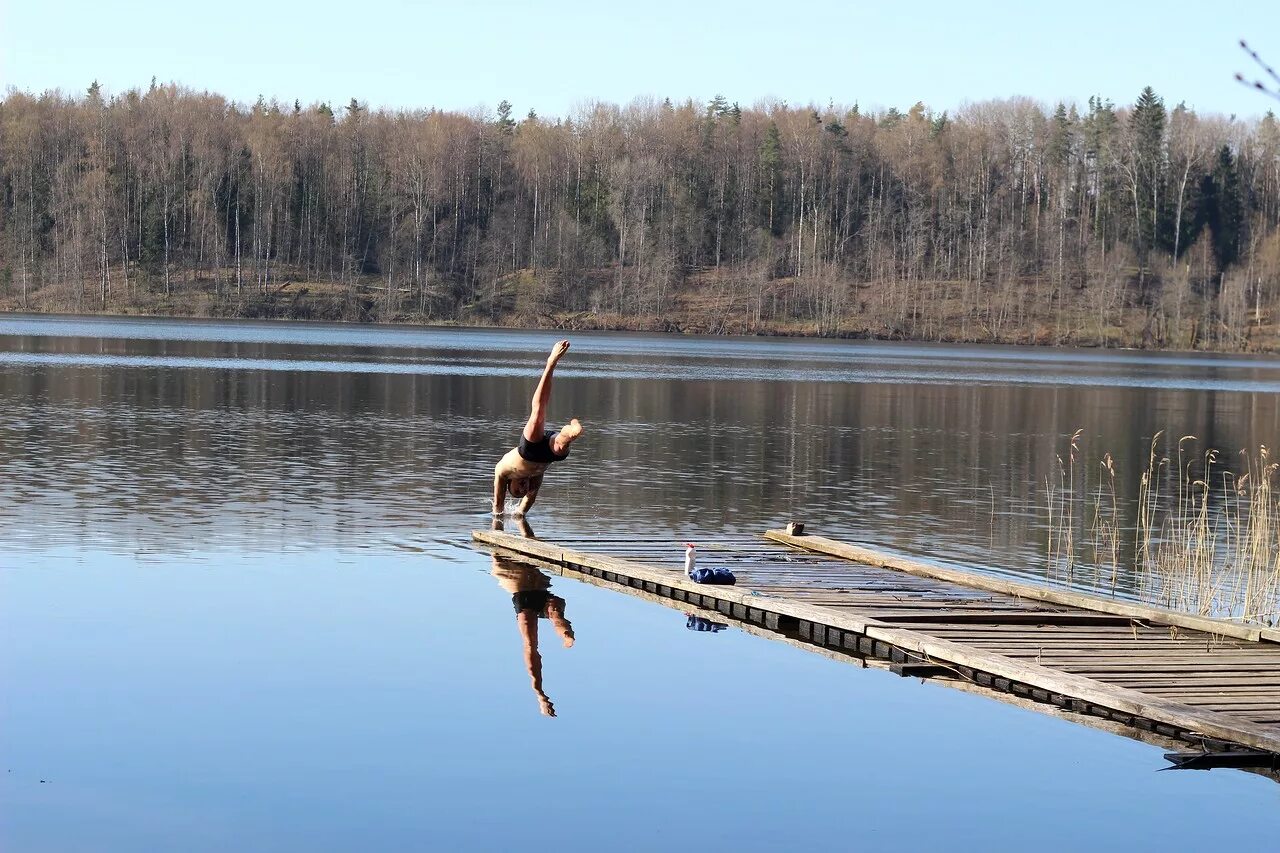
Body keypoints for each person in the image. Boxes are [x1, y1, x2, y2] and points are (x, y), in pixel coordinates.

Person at [490, 517, 575, 717]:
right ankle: (538, 691)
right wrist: (541, 695)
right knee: (530, 644)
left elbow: (528, 539)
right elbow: (495, 551)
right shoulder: (504, 559)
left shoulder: (529, 546)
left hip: (540, 595)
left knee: (554, 611)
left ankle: (565, 633)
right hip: (524, 597)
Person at [492, 339, 583, 517]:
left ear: (511, 482)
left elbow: (497, 503)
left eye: (517, 489)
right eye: (522, 492)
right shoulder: (533, 481)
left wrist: (497, 518)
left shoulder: (503, 472)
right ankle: (573, 430)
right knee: (563, 444)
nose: (523, 489)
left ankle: (551, 363)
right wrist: (519, 514)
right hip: (547, 455)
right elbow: (530, 499)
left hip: (529, 450)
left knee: (538, 412)